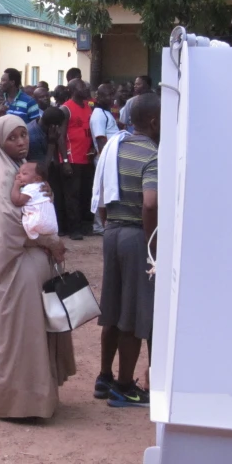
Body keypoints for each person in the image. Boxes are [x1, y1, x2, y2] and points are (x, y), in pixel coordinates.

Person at [0, 115, 74, 419]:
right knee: (22, 337)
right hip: (16, 270)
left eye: (23, 135)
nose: (21, 142)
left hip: (29, 266)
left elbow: (35, 210)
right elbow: (13, 229)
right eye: (12, 138)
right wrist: (51, 242)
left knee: (28, 336)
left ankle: (33, 399)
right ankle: (21, 404)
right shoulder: (6, 176)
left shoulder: (20, 171)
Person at [94, 93, 160, 408]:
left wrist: (109, 224)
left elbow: (102, 196)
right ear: (154, 121)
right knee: (133, 315)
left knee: (113, 309)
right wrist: (153, 246)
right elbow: (150, 203)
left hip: (112, 232)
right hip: (136, 236)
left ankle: (104, 377)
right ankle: (124, 387)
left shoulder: (113, 148)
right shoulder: (153, 154)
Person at [58, 78, 93, 240]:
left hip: (87, 157)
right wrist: (64, 161)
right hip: (72, 158)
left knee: (84, 193)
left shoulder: (88, 106)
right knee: (72, 195)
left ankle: (84, 225)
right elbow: (60, 136)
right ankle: (73, 228)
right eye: (81, 85)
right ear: (72, 90)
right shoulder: (66, 109)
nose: (85, 87)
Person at [90, 83, 120, 235]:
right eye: (107, 95)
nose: (111, 98)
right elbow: (101, 139)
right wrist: (107, 160)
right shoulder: (98, 115)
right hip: (105, 158)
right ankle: (99, 226)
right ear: (98, 97)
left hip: (111, 157)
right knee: (102, 192)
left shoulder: (105, 112)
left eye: (112, 94)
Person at [11, 162, 58, 240]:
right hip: (50, 224)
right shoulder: (42, 184)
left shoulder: (31, 188)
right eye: (18, 173)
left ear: (37, 179)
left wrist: (16, 185)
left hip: (37, 224)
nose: (19, 176)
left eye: (24, 174)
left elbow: (17, 201)